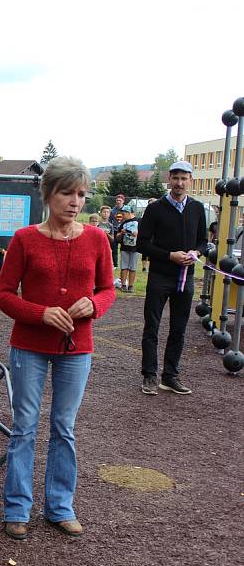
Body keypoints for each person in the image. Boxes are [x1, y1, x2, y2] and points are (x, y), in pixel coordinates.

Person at [0, 156, 115, 541]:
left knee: (64, 428)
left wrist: (94, 305)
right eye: (67, 192)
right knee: (24, 428)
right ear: (49, 194)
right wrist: (40, 313)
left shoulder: (97, 239)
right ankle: (17, 508)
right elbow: (3, 295)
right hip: (29, 345)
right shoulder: (24, 239)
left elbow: (109, 289)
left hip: (77, 348)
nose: (75, 201)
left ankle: (60, 506)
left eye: (81, 194)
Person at [137, 160, 207, 396]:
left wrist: (196, 252)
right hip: (159, 277)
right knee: (152, 326)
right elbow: (142, 244)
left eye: (184, 178)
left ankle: (170, 376)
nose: (179, 182)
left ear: (190, 181)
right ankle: (149, 375)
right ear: (169, 179)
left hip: (185, 279)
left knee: (179, 328)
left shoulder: (197, 208)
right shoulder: (155, 208)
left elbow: (203, 241)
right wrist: (170, 256)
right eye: (175, 178)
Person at [116, 204, 139, 293]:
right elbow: (117, 238)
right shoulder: (123, 223)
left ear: (129, 212)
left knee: (133, 267)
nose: (122, 215)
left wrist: (137, 234)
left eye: (124, 213)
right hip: (124, 248)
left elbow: (144, 235)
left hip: (135, 248)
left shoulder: (138, 222)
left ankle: (131, 286)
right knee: (124, 267)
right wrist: (121, 233)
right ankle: (123, 285)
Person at [109, 194, 125, 268]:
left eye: (120, 200)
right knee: (114, 248)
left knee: (124, 249)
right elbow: (109, 221)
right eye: (117, 200)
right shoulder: (112, 211)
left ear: (123, 201)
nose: (118, 202)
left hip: (123, 232)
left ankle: (124, 264)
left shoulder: (126, 210)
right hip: (115, 231)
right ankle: (115, 265)